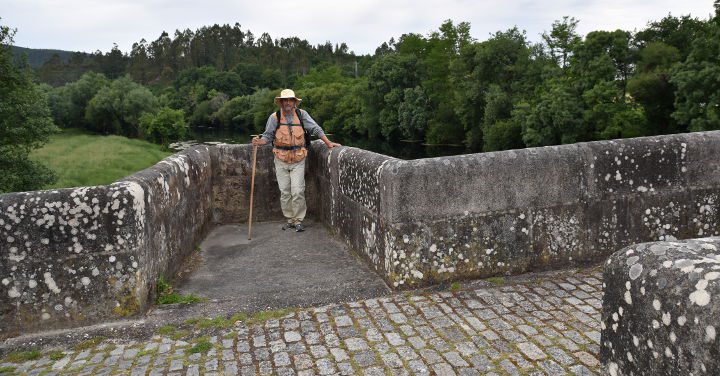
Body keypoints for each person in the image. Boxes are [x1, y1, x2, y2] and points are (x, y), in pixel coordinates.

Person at [251, 89, 341, 232]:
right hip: (280, 159)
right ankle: (290, 220)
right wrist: (258, 141)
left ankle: (298, 220)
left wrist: (328, 143)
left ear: (294, 102)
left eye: (290, 100)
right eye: (285, 100)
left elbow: (316, 129)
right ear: (280, 102)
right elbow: (267, 137)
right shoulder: (274, 117)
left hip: (298, 158)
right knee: (285, 191)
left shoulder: (302, 115)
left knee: (298, 190)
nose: (287, 102)